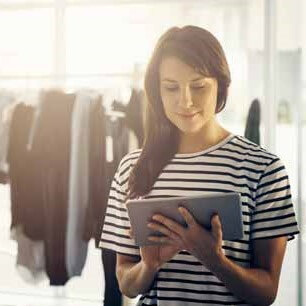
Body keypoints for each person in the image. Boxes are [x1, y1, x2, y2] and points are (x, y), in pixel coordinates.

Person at [99, 26, 299, 306]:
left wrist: (214, 260)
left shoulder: (264, 169)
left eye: (199, 86)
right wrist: (149, 266)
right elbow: (126, 283)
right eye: (171, 87)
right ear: (157, 92)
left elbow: (266, 292)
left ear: (220, 86)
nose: (185, 101)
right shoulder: (132, 167)